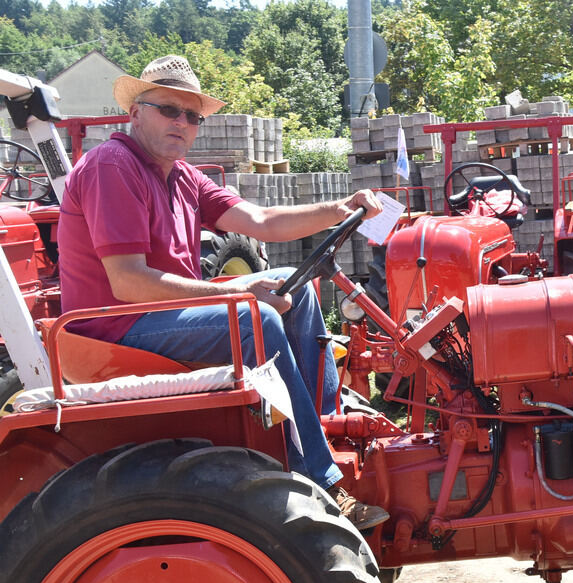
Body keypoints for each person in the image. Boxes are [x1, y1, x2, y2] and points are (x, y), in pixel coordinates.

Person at [56, 55, 389, 529]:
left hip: (158, 313)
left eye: (193, 116)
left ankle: (324, 429)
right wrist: (236, 293)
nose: (183, 124)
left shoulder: (180, 175)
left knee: (300, 289)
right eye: (169, 110)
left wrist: (340, 207)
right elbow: (127, 282)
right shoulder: (113, 167)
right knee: (257, 318)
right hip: (113, 328)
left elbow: (261, 222)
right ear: (135, 112)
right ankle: (320, 478)